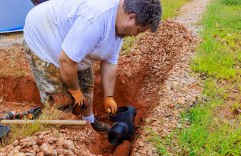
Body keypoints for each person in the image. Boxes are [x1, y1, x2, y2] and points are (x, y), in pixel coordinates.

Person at [24, 0, 162, 133]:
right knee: (61, 100)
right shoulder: (95, 19)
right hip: (43, 35)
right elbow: (66, 60)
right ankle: (65, 133)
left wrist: (108, 97)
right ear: (131, 17)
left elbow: (110, 62)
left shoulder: (119, 23)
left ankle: (89, 121)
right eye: (137, 31)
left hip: (73, 39)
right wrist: (74, 90)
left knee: (86, 86)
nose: (133, 35)